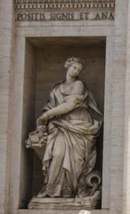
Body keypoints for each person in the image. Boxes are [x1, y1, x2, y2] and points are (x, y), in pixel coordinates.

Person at [36, 57, 102, 198]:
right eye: (74, 67)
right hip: (61, 125)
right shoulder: (57, 89)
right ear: (67, 66)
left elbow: (70, 105)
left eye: (79, 69)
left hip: (78, 124)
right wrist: (46, 116)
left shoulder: (79, 84)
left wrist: (47, 115)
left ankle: (69, 190)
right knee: (57, 154)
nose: (76, 70)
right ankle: (51, 189)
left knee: (76, 161)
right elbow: (51, 105)